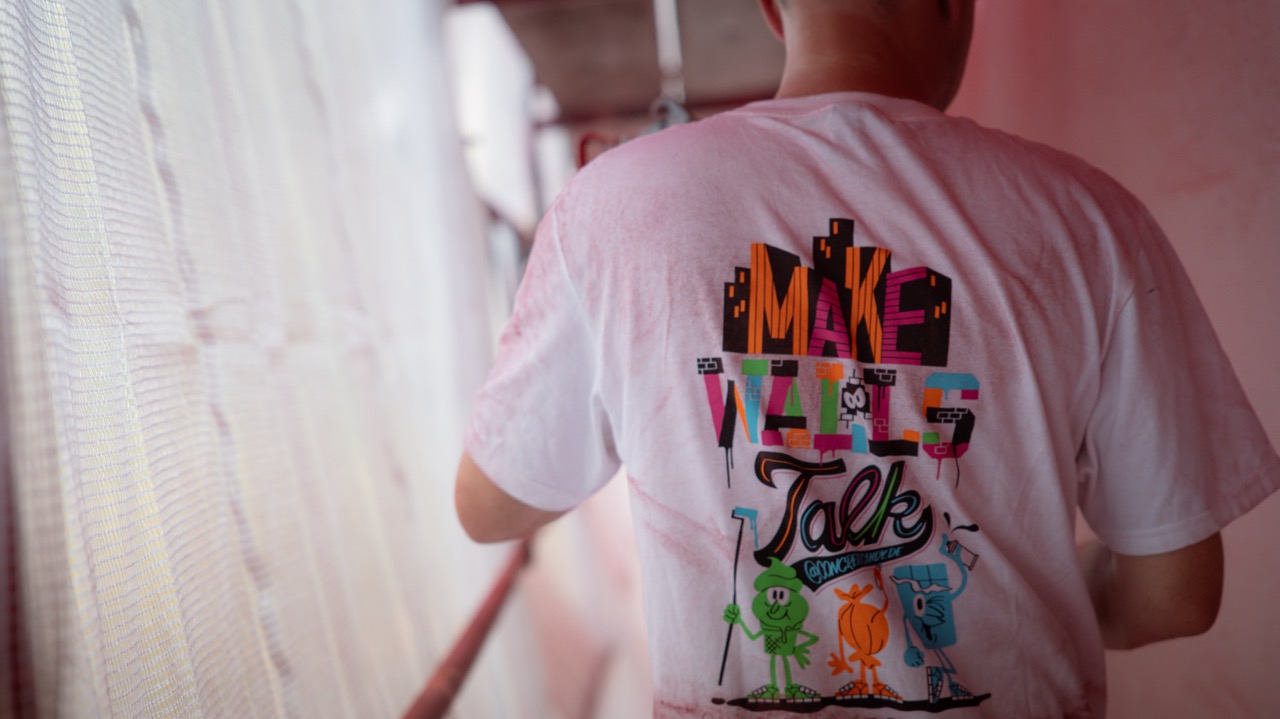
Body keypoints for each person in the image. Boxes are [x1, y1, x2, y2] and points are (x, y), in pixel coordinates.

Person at [455, 0, 1280, 715]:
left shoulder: (612, 209)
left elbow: (490, 505)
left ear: (772, 8)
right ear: (956, 6)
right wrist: (1032, 601)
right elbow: (1174, 591)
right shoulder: (1094, 223)